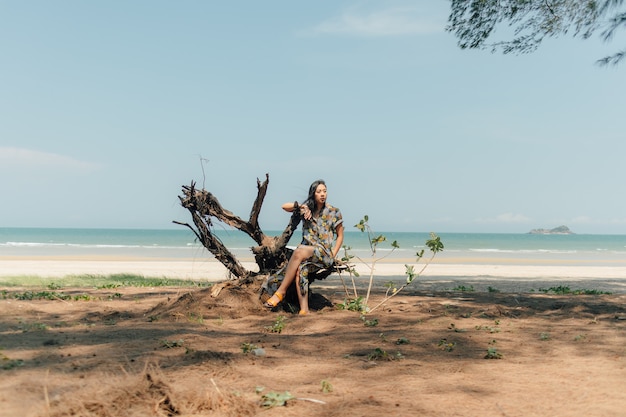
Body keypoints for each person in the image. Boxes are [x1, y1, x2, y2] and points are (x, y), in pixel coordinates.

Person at [263, 179, 344, 315]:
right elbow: (284, 206)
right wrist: (301, 206)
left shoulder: (334, 211)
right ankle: (304, 310)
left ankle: (280, 292)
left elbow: (340, 236)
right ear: (313, 194)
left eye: (324, 191)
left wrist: (333, 255)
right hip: (307, 253)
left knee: (299, 251)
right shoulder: (307, 209)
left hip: (323, 253)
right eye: (319, 192)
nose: (322, 194)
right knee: (301, 269)